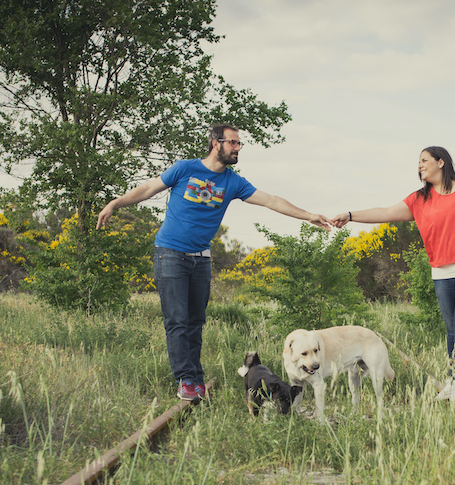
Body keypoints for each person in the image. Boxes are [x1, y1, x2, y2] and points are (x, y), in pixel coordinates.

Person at [98, 124, 331, 401]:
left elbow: (271, 200)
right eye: (233, 142)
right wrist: (115, 203)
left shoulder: (233, 182)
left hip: (201, 258)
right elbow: (149, 188)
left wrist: (308, 215)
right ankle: (185, 380)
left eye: (239, 144)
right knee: (177, 321)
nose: (237, 148)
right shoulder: (184, 169)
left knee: (195, 321)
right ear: (215, 143)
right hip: (170, 253)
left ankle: (195, 378)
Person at [332, 146, 455, 402]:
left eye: (424, 160)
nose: (419, 165)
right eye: (418, 162)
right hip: (442, 270)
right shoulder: (419, 199)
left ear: (441, 162)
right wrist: (351, 215)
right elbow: (386, 213)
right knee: (453, 329)